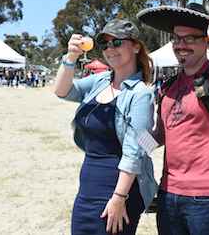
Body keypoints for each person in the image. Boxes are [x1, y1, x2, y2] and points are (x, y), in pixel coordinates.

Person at [137, 3, 209, 234]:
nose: (180, 45)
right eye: (176, 39)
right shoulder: (168, 87)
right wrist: (132, 145)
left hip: (206, 196)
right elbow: (160, 135)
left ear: (207, 42)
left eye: (189, 39)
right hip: (167, 192)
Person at [53, 19, 158, 235]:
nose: (110, 48)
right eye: (105, 44)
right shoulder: (101, 80)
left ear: (136, 46)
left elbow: (135, 152)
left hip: (119, 191)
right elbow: (63, 91)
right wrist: (71, 57)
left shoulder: (141, 94)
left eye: (117, 42)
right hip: (88, 188)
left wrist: (119, 199)